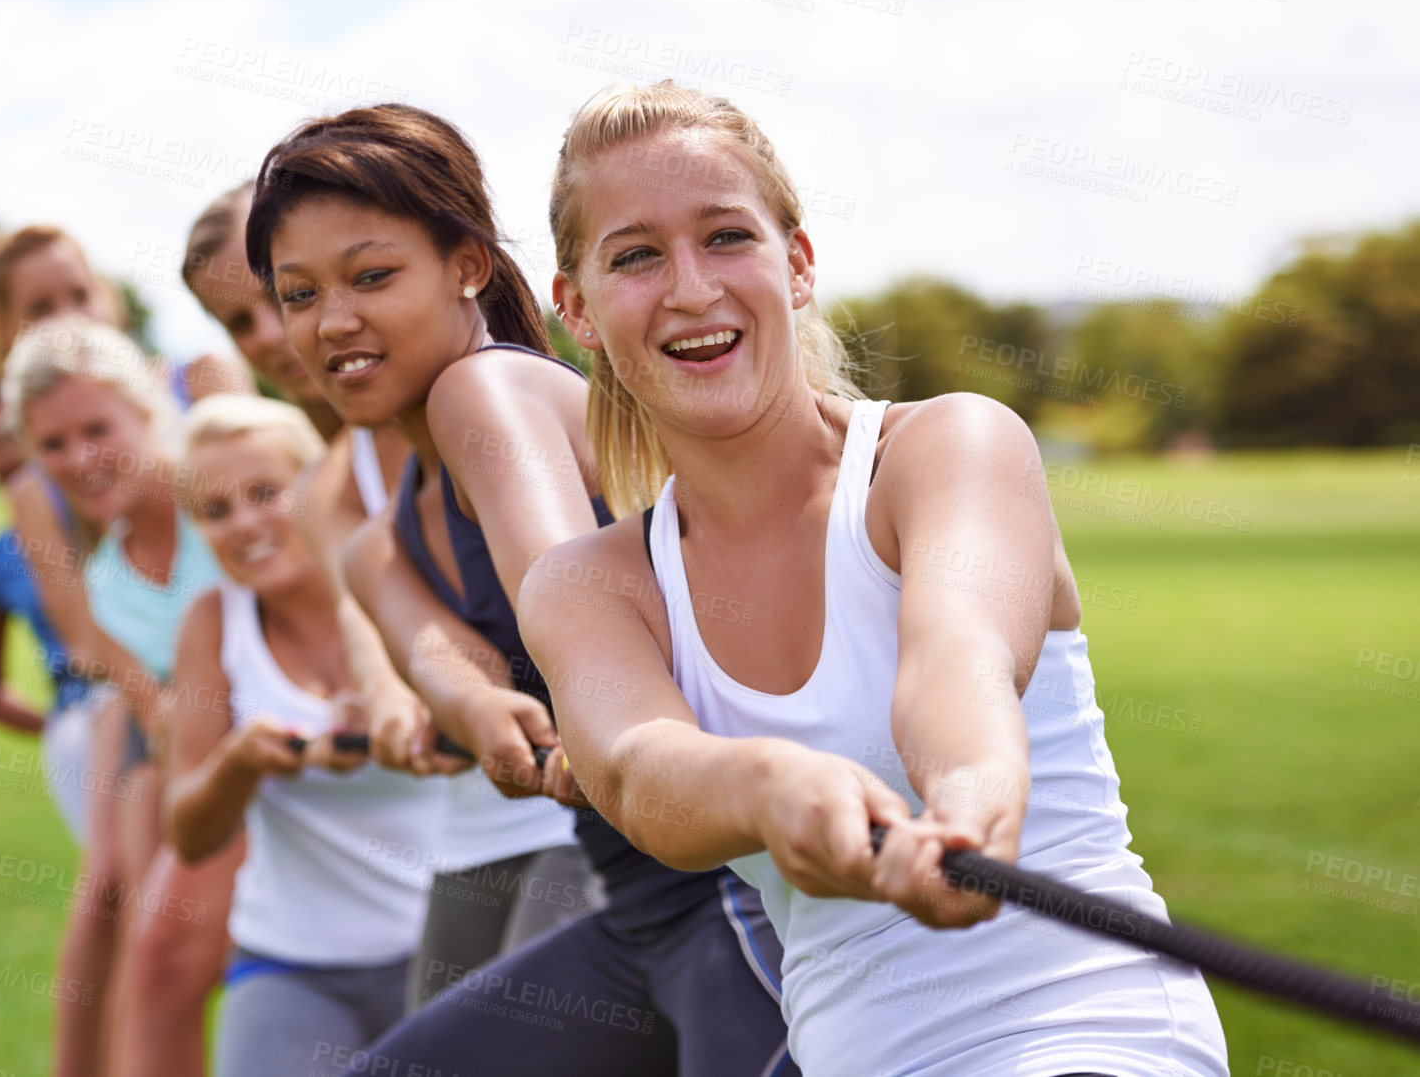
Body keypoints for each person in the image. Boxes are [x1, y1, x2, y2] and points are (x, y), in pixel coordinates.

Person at [517, 81, 1231, 1077]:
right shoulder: (585, 586)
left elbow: (960, 660)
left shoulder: (949, 446)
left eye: (726, 237)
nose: (689, 288)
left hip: (1090, 1028)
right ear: (577, 310)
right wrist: (771, 783)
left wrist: (971, 801)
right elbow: (640, 774)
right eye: (635, 255)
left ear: (796, 264)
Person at [245, 103, 796, 1076]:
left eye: (373, 276)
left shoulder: (486, 393)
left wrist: (550, 708)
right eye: (298, 295)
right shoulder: (378, 547)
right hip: (638, 916)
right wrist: (470, 713)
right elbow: (439, 662)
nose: (333, 321)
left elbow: (564, 595)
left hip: (741, 892)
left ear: (467, 265)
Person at [186, 183, 589, 1009]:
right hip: (473, 829)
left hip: (582, 817)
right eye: (265, 310)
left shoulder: (478, 399)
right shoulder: (330, 495)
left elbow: (570, 614)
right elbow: (383, 631)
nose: (281, 332)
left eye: (276, 298)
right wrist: (398, 705)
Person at [166, 394, 450, 1076]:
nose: (244, 524)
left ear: (318, 487)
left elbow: (498, 743)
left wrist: (400, 715)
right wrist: (241, 760)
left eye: (266, 492)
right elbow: (187, 829)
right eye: (215, 510)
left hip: (444, 953)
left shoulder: (395, 582)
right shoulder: (214, 623)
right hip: (289, 962)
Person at [3, 315, 235, 1077]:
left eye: (97, 428)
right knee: (146, 924)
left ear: (145, 410)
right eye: (54, 446)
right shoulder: (108, 582)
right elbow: (126, 680)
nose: (81, 458)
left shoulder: (220, 496)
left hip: (258, 744)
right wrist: (152, 707)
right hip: (181, 767)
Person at [0, 373, 98, 837]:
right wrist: (59, 728)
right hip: (84, 722)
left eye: (9, 436)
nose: (1, 456)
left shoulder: (107, 515)